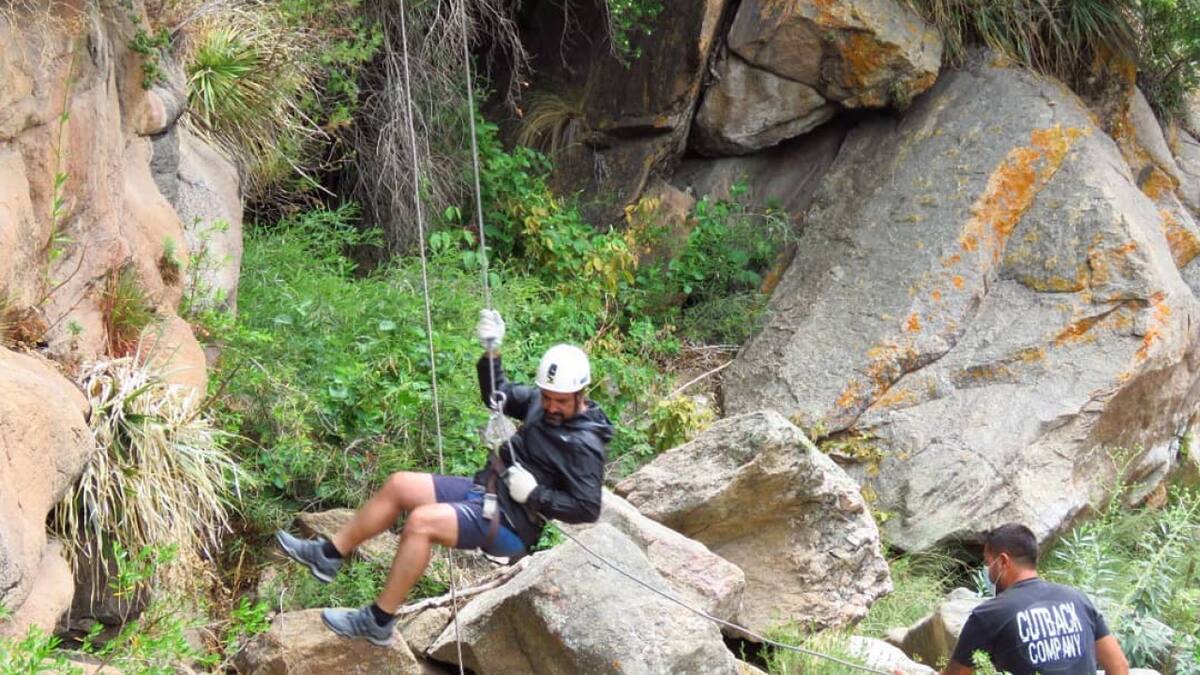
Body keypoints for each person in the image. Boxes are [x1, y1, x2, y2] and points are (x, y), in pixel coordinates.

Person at [273, 309, 613, 645]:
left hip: (512, 522)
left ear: (580, 395)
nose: (552, 407)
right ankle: (329, 554)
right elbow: (497, 394)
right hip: (488, 490)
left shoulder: (585, 443)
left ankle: (378, 620)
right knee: (399, 485)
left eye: (561, 402)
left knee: (421, 523)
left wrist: (535, 494)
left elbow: (587, 507)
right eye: (548, 397)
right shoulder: (541, 402)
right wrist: (491, 352)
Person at [920, 523, 1129, 675]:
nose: (986, 570)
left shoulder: (990, 614)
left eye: (987, 562)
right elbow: (1119, 667)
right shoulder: (1077, 599)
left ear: (1002, 562)